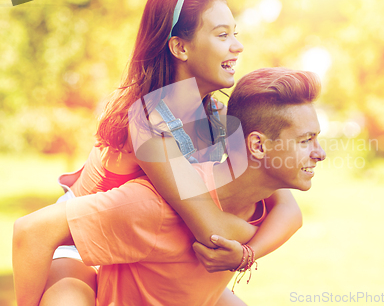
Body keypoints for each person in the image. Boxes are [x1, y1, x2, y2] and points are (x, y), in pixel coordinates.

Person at [30, 0, 301, 306]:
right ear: (180, 48)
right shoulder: (147, 121)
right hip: (81, 243)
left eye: (235, 33)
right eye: (222, 35)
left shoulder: (216, 115)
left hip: (145, 251)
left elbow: (287, 209)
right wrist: (247, 237)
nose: (238, 46)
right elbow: (210, 230)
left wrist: (246, 253)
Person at [13, 67, 326, 306]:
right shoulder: (154, 208)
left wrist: (246, 254)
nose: (320, 153)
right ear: (257, 146)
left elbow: (290, 214)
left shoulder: (262, 203)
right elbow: (31, 231)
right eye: (305, 140)